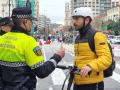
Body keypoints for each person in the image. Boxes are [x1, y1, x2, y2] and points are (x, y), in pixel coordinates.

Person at [0, 7, 65, 90]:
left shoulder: (1, 39)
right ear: (25, 22)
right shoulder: (28, 41)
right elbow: (41, 71)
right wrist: (57, 57)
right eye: (31, 21)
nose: (32, 24)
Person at [72, 7, 112, 90]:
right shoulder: (78, 37)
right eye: (73, 19)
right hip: (78, 83)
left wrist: (90, 66)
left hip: (93, 85)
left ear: (86, 20)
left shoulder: (97, 36)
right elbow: (81, 59)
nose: (74, 22)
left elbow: (106, 58)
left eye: (77, 19)